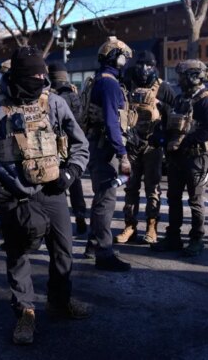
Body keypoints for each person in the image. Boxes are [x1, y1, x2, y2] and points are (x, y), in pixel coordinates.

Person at [0, 46, 92, 345]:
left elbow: (80, 144)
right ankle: (25, 312)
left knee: (63, 251)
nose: (40, 80)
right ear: (16, 76)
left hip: (53, 190)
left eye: (43, 75)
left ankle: (60, 300)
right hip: (13, 195)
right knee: (18, 255)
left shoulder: (54, 103)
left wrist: (70, 174)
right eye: (33, 76)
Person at [151, 59, 208, 257]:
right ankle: (173, 237)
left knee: (195, 200)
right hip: (177, 158)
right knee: (173, 198)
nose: (178, 80)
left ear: (192, 77)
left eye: (182, 76)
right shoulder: (181, 99)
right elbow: (171, 124)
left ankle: (197, 239)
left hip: (197, 159)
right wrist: (162, 136)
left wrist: (183, 142)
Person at [82, 37, 134, 271]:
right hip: (106, 148)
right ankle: (104, 252)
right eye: (124, 57)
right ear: (117, 57)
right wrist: (122, 153)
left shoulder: (99, 80)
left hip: (97, 144)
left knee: (100, 198)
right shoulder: (110, 84)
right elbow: (112, 122)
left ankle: (93, 245)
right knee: (106, 199)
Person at [115, 51, 176, 245]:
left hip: (152, 146)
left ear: (155, 66)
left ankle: (152, 227)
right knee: (130, 187)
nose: (143, 68)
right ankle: (130, 227)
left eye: (148, 65)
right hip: (131, 146)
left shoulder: (163, 88)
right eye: (141, 64)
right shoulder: (127, 83)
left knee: (153, 188)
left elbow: (174, 116)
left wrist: (163, 136)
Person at [48, 61, 89, 235]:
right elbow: (80, 119)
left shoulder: (52, 96)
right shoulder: (74, 94)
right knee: (74, 182)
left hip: (55, 146)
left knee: (57, 183)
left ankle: (60, 219)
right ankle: (80, 217)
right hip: (73, 144)